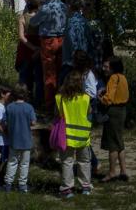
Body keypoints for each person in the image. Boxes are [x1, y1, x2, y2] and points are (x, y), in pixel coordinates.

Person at [56, 68, 96, 197]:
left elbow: (58, 114)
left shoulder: (60, 98)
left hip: (66, 136)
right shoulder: (86, 98)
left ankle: (67, 188)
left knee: (67, 162)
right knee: (84, 161)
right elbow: (89, 113)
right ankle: (85, 186)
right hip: (83, 136)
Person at [0, 84, 37, 193]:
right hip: (26, 141)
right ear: (25, 94)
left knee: (12, 162)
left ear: (14, 94)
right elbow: (33, 122)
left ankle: (8, 184)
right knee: (24, 164)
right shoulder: (29, 107)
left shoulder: (9, 107)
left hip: (13, 140)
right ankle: (22, 185)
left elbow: (4, 122)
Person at [100, 56, 129, 182]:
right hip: (123, 110)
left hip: (113, 112)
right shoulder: (122, 77)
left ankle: (112, 172)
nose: (104, 69)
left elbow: (109, 99)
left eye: (106, 67)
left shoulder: (112, 78)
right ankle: (123, 171)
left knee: (113, 144)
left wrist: (100, 98)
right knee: (119, 142)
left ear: (113, 67)